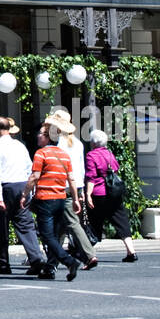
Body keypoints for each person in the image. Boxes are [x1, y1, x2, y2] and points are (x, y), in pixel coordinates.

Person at [23, 127, 82, 281]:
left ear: (48, 138)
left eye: (41, 134)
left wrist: (24, 195)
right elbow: (71, 179)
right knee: (54, 236)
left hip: (45, 199)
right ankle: (49, 269)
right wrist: (75, 199)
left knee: (47, 236)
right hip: (60, 198)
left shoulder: (41, 153)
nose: (37, 136)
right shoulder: (64, 155)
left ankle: (70, 262)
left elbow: (34, 176)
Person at [0, 116, 45, 276]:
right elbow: (29, 168)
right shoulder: (20, 145)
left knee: (1, 227)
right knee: (25, 224)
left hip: (7, 187)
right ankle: (36, 258)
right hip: (21, 186)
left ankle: (4, 264)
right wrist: (30, 190)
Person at [43, 109, 98, 272]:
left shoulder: (58, 146)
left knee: (71, 223)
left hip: (59, 186)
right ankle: (52, 261)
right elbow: (80, 170)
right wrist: (79, 191)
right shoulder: (78, 144)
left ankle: (89, 254)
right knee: (61, 226)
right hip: (74, 186)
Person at [85, 129, 138, 261]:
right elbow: (116, 168)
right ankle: (131, 251)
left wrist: (88, 194)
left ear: (93, 142)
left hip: (99, 193)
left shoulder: (91, 155)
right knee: (121, 221)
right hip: (113, 193)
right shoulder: (109, 153)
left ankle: (87, 253)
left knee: (94, 223)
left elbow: (91, 177)